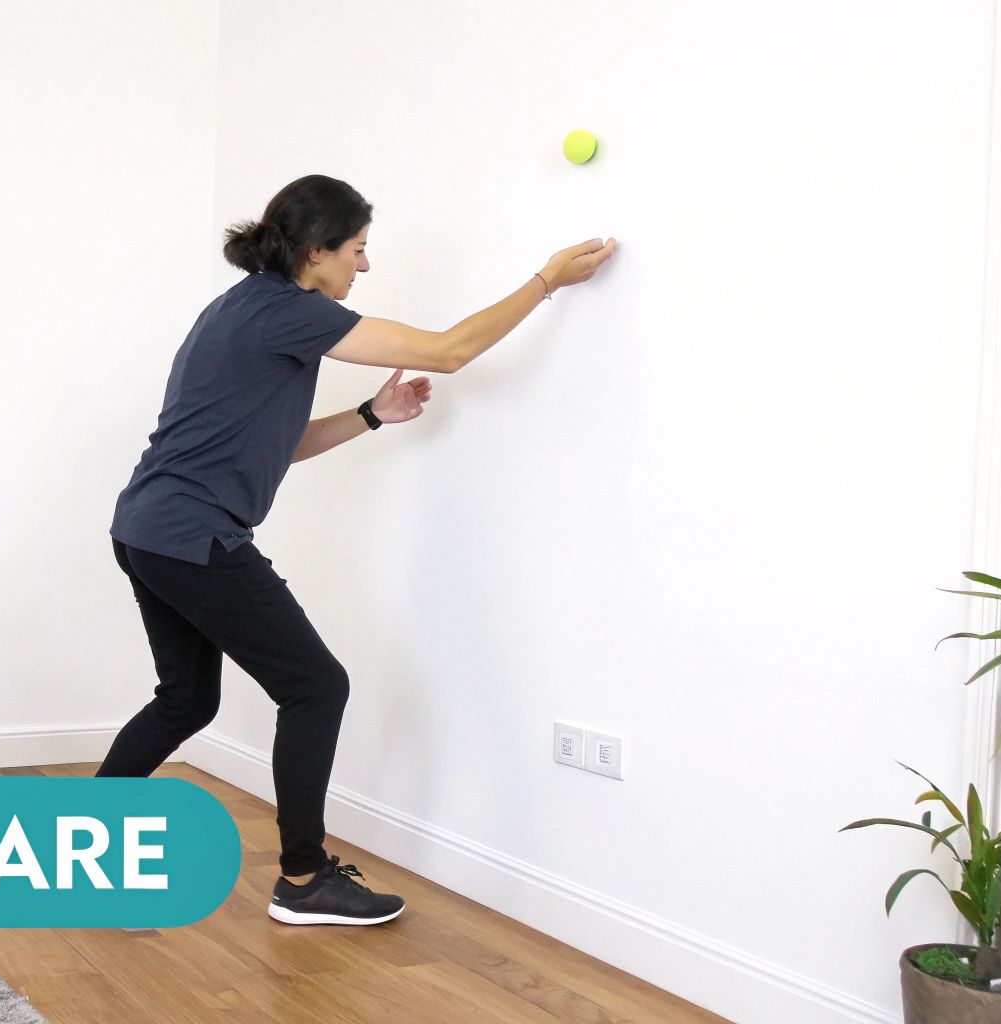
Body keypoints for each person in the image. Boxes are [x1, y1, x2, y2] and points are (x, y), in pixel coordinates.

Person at [99, 174, 617, 926]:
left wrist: (372, 415)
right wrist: (548, 280)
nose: (362, 268)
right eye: (357, 251)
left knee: (187, 697)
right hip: (191, 535)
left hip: (145, 528)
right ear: (316, 251)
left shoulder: (237, 310)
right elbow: (448, 352)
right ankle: (305, 880)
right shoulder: (291, 313)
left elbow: (271, 448)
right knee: (316, 687)